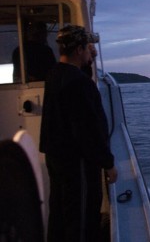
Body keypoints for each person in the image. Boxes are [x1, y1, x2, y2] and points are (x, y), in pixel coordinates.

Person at [40, 25, 117, 242]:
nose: (90, 52)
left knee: (60, 211)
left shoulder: (55, 75)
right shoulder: (79, 84)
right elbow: (87, 130)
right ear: (78, 50)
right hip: (77, 162)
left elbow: (78, 77)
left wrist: (89, 61)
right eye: (87, 49)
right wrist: (108, 163)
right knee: (81, 217)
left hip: (57, 157)